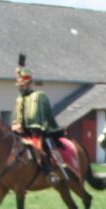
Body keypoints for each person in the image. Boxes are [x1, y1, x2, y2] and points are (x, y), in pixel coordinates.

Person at [11, 53, 65, 183]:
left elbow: (44, 115)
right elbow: (17, 117)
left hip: (37, 132)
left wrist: (39, 129)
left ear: (29, 84)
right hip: (21, 133)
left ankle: (49, 173)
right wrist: (16, 125)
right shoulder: (19, 99)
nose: (20, 88)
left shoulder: (39, 96)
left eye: (23, 86)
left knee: (39, 149)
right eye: (19, 86)